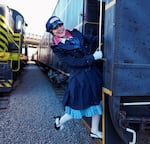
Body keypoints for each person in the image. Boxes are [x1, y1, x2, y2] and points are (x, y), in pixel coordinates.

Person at [46, 16, 103, 139]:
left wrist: (105, 37)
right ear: (52, 32)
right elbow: (73, 63)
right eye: (55, 28)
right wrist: (93, 58)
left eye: (60, 25)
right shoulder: (58, 48)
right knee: (76, 109)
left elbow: (90, 39)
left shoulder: (75, 33)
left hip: (92, 74)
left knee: (96, 103)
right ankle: (59, 122)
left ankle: (94, 130)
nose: (59, 29)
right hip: (80, 79)